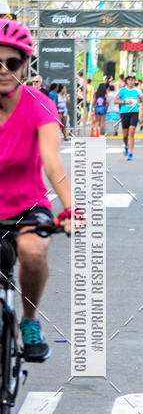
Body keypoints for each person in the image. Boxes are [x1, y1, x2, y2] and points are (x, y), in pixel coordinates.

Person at [0, 19, 73, 361]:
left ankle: (29, 320)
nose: (2, 70)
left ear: (25, 65)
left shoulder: (39, 103)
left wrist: (70, 209)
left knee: (32, 251)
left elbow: (52, 164)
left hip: (27, 206)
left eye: (11, 63)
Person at [115, 74, 143, 159]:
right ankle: (126, 146)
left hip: (134, 112)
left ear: (135, 81)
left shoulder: (137, 90)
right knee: (125, 135)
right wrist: (124, 102)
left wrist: (142, 105)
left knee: (132, 132)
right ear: (126, 81)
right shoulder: (122, 90)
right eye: (129, 80)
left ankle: (130, 153)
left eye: (133, 80)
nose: (131, 81)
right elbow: (115, 101)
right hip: (124, 113)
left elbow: (142, 100)